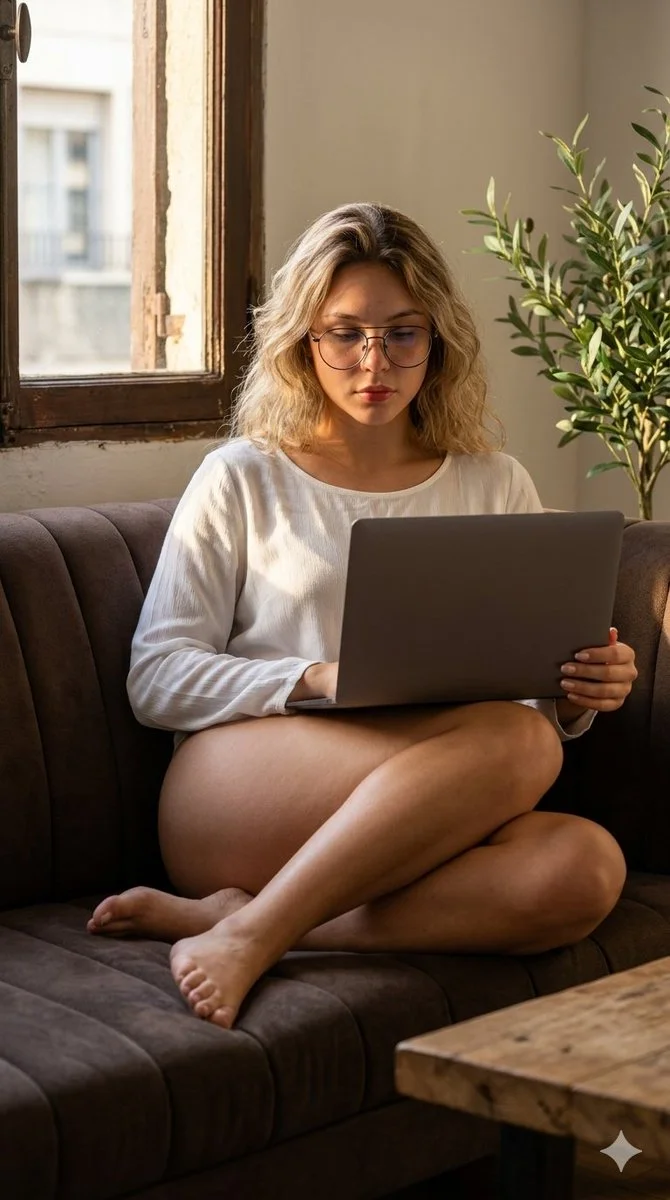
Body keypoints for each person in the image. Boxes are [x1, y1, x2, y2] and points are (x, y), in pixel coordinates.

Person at [87, 203, 638, 1029]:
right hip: (241, 787)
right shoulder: (242, 476)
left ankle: (246, 923)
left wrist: (572, 693)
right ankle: (255, 930)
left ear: (437, 339)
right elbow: (157, 676)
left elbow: (519, 707)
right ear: (302, 342)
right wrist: (316, 678)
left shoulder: (493, 482)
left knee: (585, 868)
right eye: (343, 333)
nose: (372, 360)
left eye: (402, 333)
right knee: (518, 742)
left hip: (419, 800)